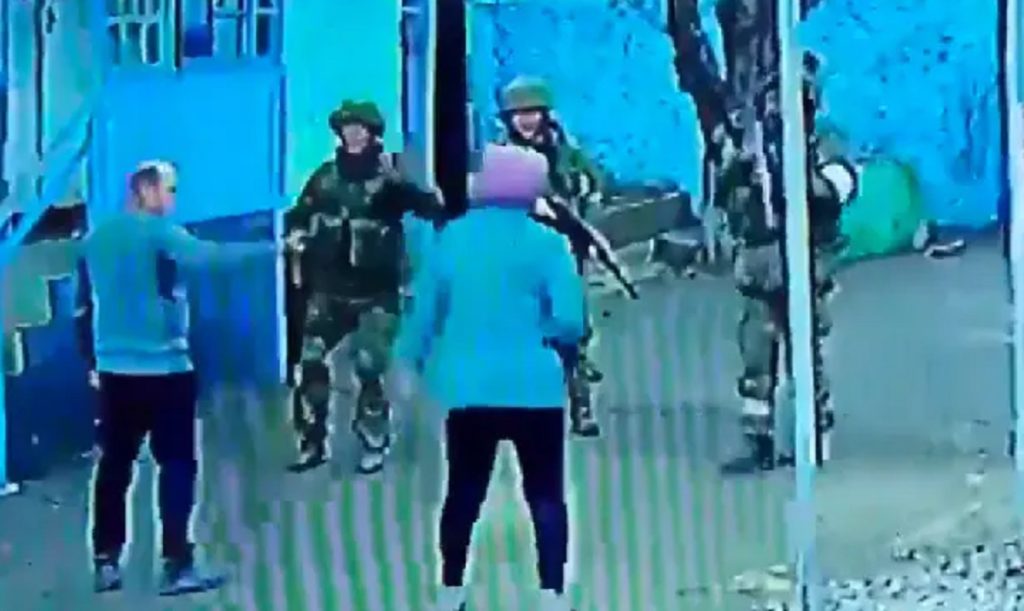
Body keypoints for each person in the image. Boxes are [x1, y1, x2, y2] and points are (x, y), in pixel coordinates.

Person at [391, 144, 584, 611]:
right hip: (535, 389)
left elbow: (424, 313)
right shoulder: (548, 243)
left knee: (463, 492)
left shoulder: (451, 239)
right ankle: (551, 594)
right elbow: (571, 321)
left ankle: (451, 589)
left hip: (468, 390)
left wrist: (406, 364)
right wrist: (544, 334)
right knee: (545, 495)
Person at [74, 160, 275, 595]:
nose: (173, 200)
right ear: (145, 190)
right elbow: (211, 257)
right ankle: (177, 564)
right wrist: (275, 247)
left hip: (115, 372)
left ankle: (106, 560)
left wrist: (93, 360)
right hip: (165, 370)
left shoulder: (95, 239)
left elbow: (83, 307)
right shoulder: (159, 233)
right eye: (170, 190)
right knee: (177, 464)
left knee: (114, 466)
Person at [282, 99, 443, 474]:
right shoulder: (324, 178)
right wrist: (297, 235)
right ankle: (312, 440)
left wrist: (419, 189)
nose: (353, 135)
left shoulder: (387, 180)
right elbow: (299, 215)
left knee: (369, 365)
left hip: (377, 293)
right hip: (329, 290)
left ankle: (373, 437)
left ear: (373, 135)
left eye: (360, 129)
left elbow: (431, 208)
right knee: (310, 361)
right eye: (347, 129)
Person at [497, 75, 607, 438]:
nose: (526, 121)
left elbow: (596, 182)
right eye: (519, 114)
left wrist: (583, 196)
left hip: (563, 252)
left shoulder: (565, 152)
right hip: (519, 253)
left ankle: (581, 405)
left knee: (570, 328)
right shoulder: (501, 156)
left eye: (533, 112)